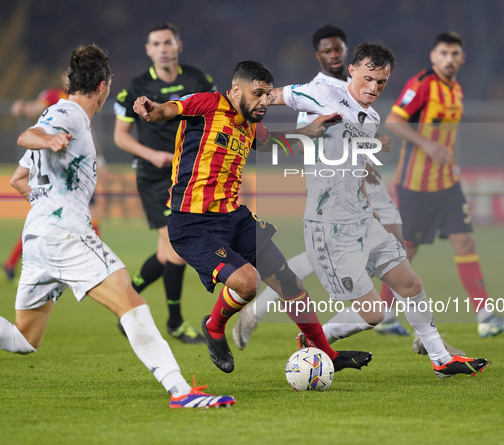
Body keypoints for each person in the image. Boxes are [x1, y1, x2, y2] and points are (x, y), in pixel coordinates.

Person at [0, 45, 234, 409]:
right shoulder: (69, 113)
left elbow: (18, 178)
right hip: (66, 234)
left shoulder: (69, 117)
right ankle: (181, 392)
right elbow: (27, 136)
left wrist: (44, 203)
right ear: (104, 86)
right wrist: (49, 139)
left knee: (24, 338)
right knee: (132, 304)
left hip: (39, 236)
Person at [133, 60, 373, 375]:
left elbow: (270, 142)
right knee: (247, 284)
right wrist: (152, 109)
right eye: (256, 94)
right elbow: (169, 110)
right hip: (193, 223)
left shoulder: (251, 124)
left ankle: (326, 353)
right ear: (235, 90)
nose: (263, 102)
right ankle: (214, 327)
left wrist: (310, 131)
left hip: (235, 218)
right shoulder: (208, 103)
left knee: (289, 282)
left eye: (266, 95)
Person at [265, 41, 487, 378]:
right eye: (368, 78)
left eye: (381, 82)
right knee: (374, 315)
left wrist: (371, 201)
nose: (373, 88)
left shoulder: (371, 116)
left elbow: (354, 163)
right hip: (328, 226)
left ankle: (441, 359)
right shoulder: (321, 92)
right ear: (352, 71)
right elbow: (269, 95)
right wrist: (230, 110)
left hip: (362, 220)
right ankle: (313, 339)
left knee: (410, 284)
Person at [385, 32, 504, 338]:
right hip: (416, 185)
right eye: (443, 53)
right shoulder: (422, 84)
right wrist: (427, 145)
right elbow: (394, 121)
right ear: (434, 57)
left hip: (447, 183)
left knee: (465, 243)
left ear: (462, 58)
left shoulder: (456, 90)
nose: (449, 59)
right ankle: (382, 313)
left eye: (455, 54)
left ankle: (486, 316)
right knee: (407, 251)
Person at [114, 23, 215, 344]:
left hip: (187, 173)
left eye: (168, 42)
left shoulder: (198, 79)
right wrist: (153, 155)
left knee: (166, 252)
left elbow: (213, 117)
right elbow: (120, 137)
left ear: (178, 45)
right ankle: (174, 322)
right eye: (156, 43)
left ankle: (126, 301)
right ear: (149, 50)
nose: (163, 48)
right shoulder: (136, 87)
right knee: (176, 246)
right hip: (155, 176)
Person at [4, 72, 107, 282]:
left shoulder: (82, 103)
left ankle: (95, 263)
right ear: (63, 77)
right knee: (47, 218)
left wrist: (100, 160)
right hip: (58, 169)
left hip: (79, 167)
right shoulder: (55, 98)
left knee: (75, 216)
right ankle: (97, 263)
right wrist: (24, 109)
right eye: (69, 73)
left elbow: (89, 134)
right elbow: (35, 110)